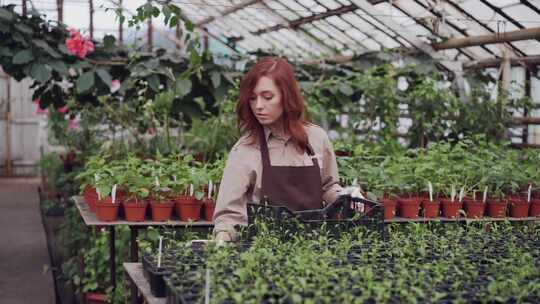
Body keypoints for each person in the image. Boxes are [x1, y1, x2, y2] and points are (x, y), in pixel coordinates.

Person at [213, 57, 360, 242]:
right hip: (263, 251)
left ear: (287, 96)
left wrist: (346, 196)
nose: (258, 106)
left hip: (314, 249)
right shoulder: (245, 149)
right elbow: (229, 215)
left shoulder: (316, 138)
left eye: (267, 97)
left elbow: (328, 187)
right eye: (252, 98)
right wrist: (224, 235)